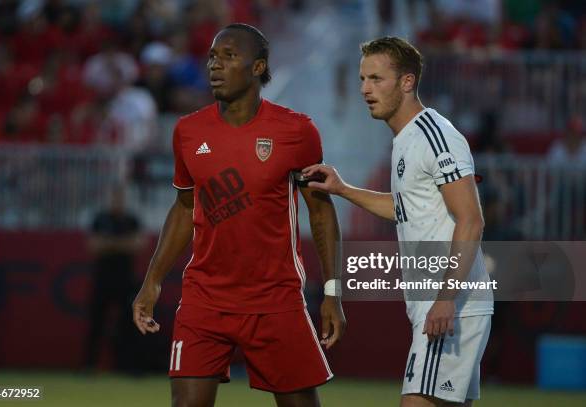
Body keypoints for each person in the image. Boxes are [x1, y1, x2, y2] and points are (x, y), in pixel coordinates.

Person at [132, 23, 346, 407]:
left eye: (229, 56)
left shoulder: (296, 131)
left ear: (258, 67)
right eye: (213, 56)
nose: (215, 64)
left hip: (275, 299)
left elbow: (321, 214)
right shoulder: (188, 131)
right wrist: (153, 280)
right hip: (204, 299)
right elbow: (184, 208)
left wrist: (332, 292)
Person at [303, 37, 493, 407]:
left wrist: (445, 299)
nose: (364, 89)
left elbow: (471, 220)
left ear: (407, 82)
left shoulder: (434, 134)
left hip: (450, 303)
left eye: (376, 79)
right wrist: (342, 189)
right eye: (362, 79)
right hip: (441, 304)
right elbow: (404, 208)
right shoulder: (406, 139)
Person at [85, 186, 143, 373]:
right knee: (96, 323)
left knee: (129, 323)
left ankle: (128, 366)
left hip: (125, 281)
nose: (117, 201)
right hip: (103, 280)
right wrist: (123, 244)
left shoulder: (131, 219)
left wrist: (109, 243)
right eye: (114, 197)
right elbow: (93, 245)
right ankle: (88, 365)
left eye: (120, 197)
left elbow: (139, 244)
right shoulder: (100, 218)